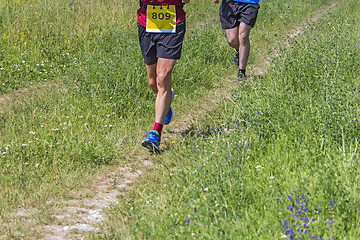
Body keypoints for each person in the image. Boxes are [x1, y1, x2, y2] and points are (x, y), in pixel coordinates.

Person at [137, 0, 190, 153]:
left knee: (163, 77)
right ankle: (166, 103)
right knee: (153, 82)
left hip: (173, 20)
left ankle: (155, 134)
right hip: (146, 21)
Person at [213, 0, 260, 82]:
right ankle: (239, 50)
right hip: (229, 3)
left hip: (250, 2)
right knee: (232, 40)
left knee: (243, 36)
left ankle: (241, 72)